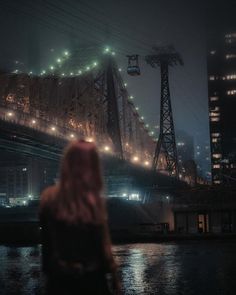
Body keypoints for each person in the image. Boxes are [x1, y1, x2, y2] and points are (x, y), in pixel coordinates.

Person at [39, 140, 121, 295]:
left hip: (59, 282)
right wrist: (114, 276)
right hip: (93, 281)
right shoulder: (94, 201)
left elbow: (47, 247)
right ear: (94, 166)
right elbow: (103, 246)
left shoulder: (48, 197)